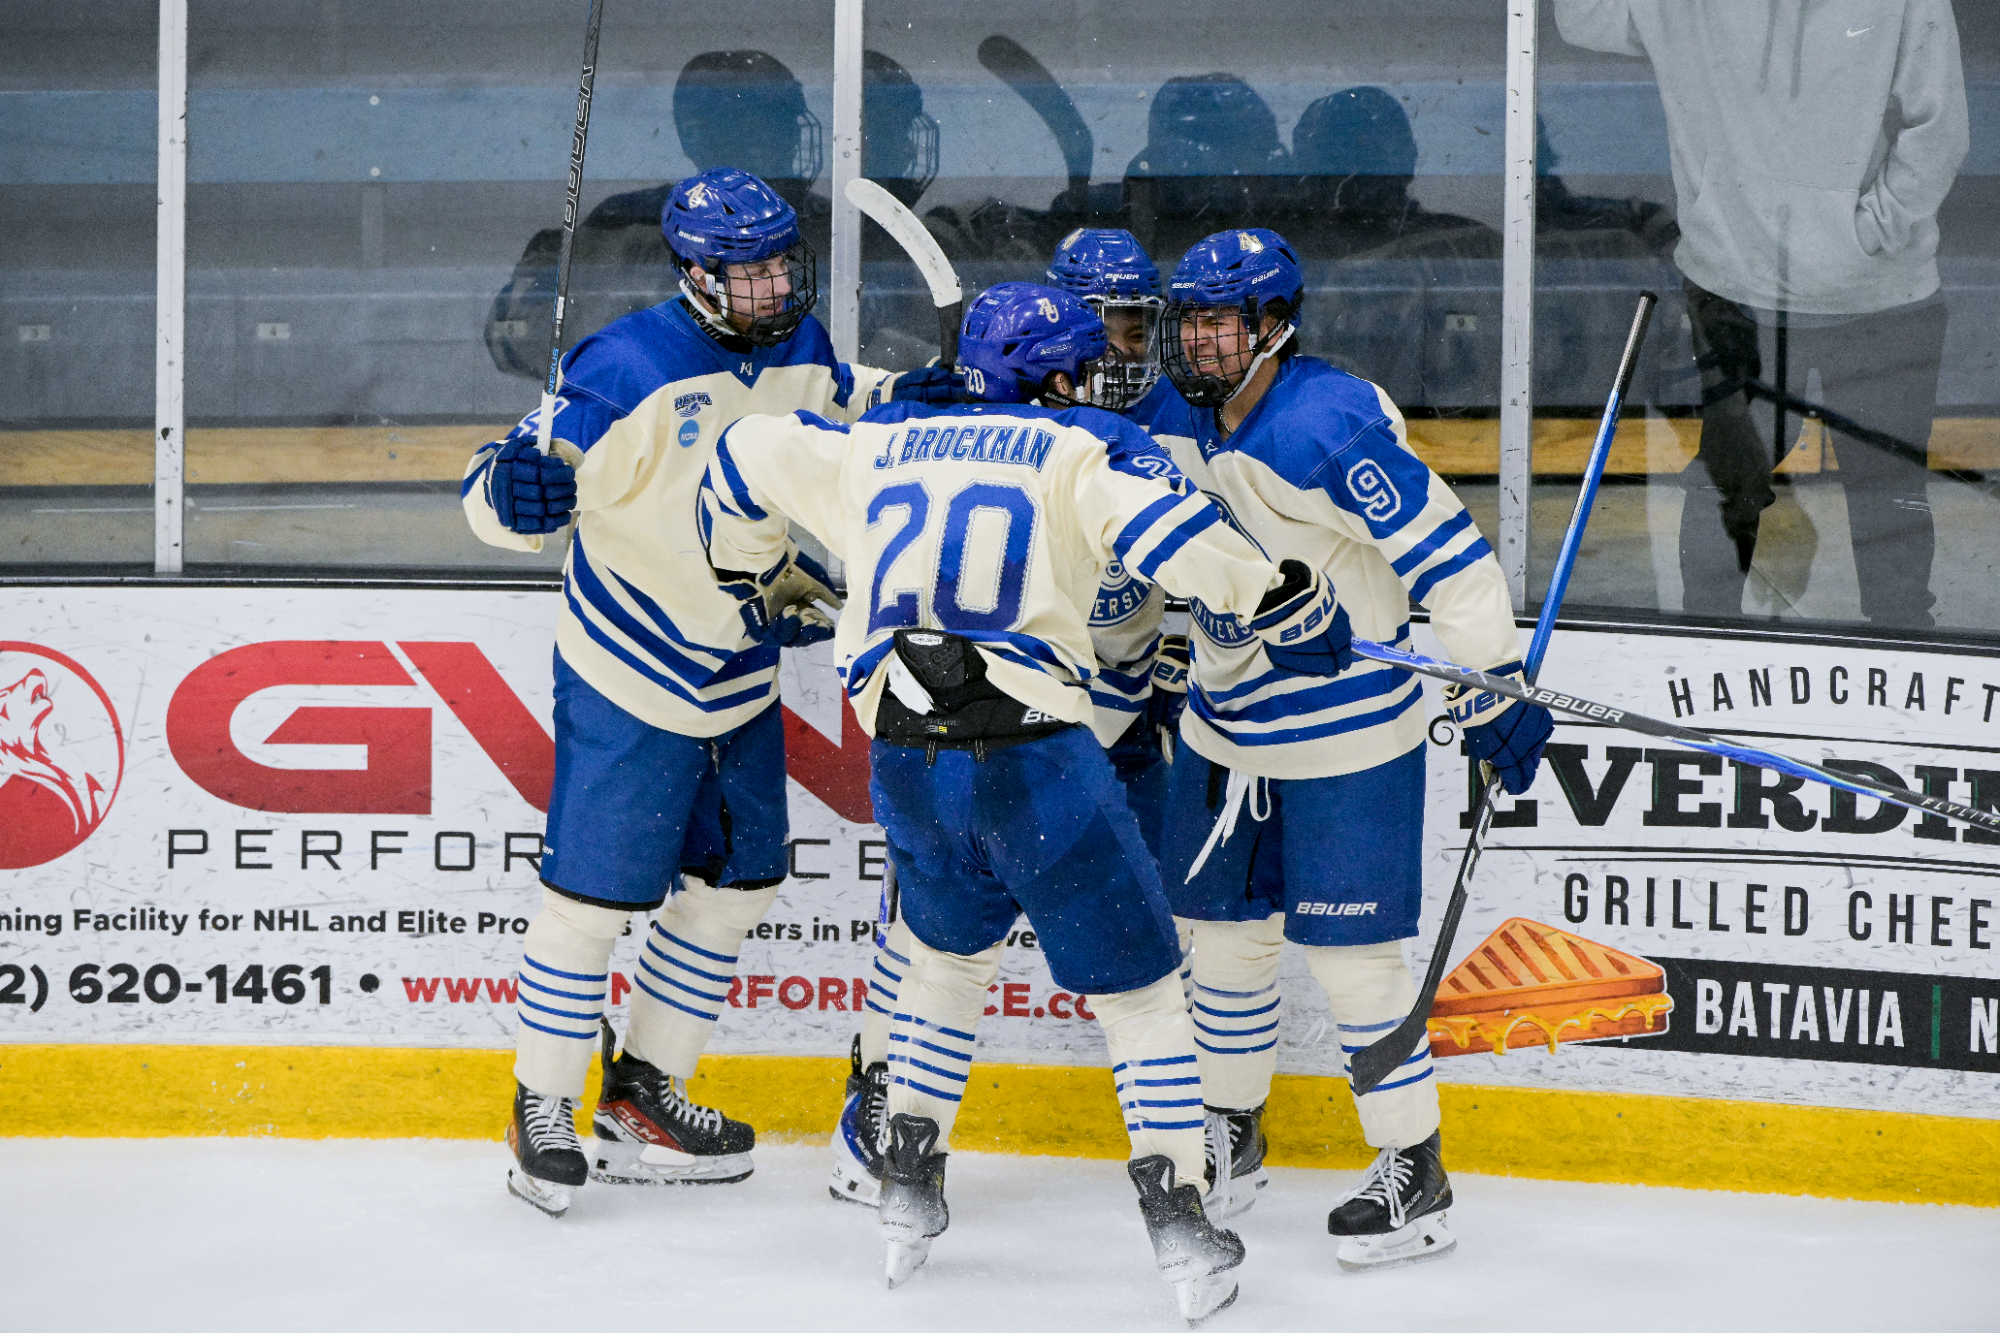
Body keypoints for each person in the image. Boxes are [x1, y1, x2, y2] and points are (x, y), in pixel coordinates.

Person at [698, 282, 1354, 1320]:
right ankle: (1181, 1222)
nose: (1088, 383)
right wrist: (1284, 600)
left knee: (942, 963)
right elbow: (1184, 544)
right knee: (1139, 996)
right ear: (1051, 377)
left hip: (907, 761)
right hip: (1036, 758)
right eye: (1078, 368)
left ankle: (905, 1190)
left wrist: (756, 576)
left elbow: (737, 460)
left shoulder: (871, 444)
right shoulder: (1076, 452)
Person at [463, 165, 955, 1219]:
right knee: (590, 896)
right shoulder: (624, 365)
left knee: (738, 884)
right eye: (753, 269)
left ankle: (643, 1091)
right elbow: (499, 484)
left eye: (784, 261)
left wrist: (911, 399)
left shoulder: (793, 342)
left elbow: (841, 398)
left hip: (737, 668)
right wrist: (511, 491)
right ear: (694, 275)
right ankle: (538, 1104)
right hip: (626, 670)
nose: (776, 282)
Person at [1142, 228, 1553, 1270]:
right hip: (1221, 730)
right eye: (1187, 322)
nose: (1197, 344)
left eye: (1220, 325)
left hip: (1347, 735)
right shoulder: (1166, 419)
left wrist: (1495, 680)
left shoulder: (1324, 430)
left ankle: (1413, 1171)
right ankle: (1232, 1131)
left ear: (1273, 328)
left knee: (1354, 964)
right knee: (1223, 942)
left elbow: (1450, 564)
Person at [824, 229, 1186, 1211]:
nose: (1120, 345)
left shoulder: (1166, 426)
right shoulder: (963, 427)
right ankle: (877, 1101)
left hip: (1116, 729)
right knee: (928, 939)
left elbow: (1201, 563)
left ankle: (1185, 1150)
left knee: (1150, 945)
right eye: (1104, 322)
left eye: (1134, 320)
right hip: (994, 719)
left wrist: (1212, 628)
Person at [1553, 1, 1968, 630]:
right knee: (1731, 482)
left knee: (1886, 497)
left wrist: (1865, 233)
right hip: (1739, 284)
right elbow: (1580, 17)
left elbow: (1940, 132)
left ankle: (1905, 660)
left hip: (1877, 295)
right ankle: (1700, 646)